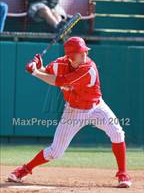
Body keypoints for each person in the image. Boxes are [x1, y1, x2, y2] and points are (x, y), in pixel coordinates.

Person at [8, 37, 132, 188]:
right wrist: (37, 66)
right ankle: (23, 170)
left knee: (118, 133)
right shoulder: (60, 63)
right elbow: (47, 72)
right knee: (55, 152)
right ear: (71, 57)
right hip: (74, 110)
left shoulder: (88, 68)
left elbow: (58, 81)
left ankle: (122, 174)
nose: (85, 55)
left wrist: (34, 72)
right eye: (81, 53)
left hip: (96, 107)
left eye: (85, 51)